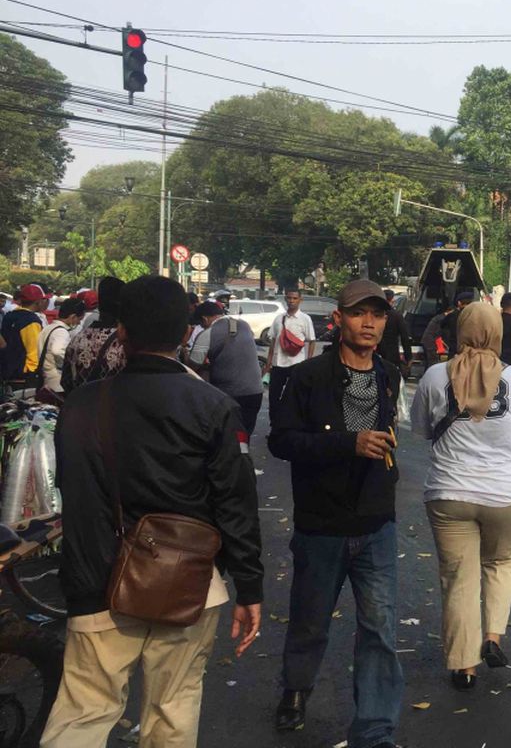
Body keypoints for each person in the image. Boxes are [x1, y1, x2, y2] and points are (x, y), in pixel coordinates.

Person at [41, 275, 263, 748]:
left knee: (81, 715)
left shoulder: (79, 406)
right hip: (186, 585)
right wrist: (250, 585)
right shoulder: (214, 406)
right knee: (172, 711)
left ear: (122, 330)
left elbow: (73, 490)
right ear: (186, 334)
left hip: (95, 582)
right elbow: (235, 504)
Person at [267, 279, 404, 746]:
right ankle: (296, 689)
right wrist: (349, 444)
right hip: (322, 523)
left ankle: (375, 728)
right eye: (359, 313)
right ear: (338, 320)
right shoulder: (306, 378)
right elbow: (281, 441)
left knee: (380, 628)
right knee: (310, 619)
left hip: (376, 522)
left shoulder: (388, 374)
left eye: (378, 315)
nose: (369, 323)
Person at [410, 302, 511, 690]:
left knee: (458, 579)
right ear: (498, 332)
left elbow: (420, 430)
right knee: (501, 562)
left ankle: (463, 667)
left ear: (460, 331)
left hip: (448, 493)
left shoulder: (436, 376)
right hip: (504, 494)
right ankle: (492, 638)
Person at [189, 301, 266, 436]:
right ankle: (243, 453)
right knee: (244, 434)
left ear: (204, 319)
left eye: (202, 324)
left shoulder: (208, 333)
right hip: (255, 392)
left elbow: (193, 365)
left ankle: (233, 455)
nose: (202, 327)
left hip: (231, 394)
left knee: (227, 436)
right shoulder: (244, 325)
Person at [62, 277, 127, 395]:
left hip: (81, 409)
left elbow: (66, 382)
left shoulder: (78, 339)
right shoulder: (125, 342)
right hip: (113, 410)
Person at [265, 289, 317, 418]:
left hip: (297, 364)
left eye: (295, 298)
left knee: (294, 397)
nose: (291, 301)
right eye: (289, 298)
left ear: (300, 300)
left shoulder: (305, 319)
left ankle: (292, 427)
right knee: (273, 397)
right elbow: (273, 341)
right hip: (278, 364)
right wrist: (268, 363)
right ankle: (274, 427)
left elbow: (312, 341)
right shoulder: (278, 318)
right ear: (285, 299)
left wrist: (308, 363)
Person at [35, 297, 85, 403]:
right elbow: (58, 351)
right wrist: (71, 365)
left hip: (46, 380)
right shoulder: (61, 332)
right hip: (57, 383)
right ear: (73, 317)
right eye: (79, 319)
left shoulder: (48, 328)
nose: (79, 323)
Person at [0, 284, 47, 387]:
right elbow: (33, 351)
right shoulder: (31, 321)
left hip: (7, 370)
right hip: (24, 375)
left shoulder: (9, 315)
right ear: (38, 301)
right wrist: (34, 375)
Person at [379, 290, 413, 377]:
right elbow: (404, 337)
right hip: (392, 355)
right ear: (391, 300)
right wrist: (408, 357)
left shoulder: (376, 314)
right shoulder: (396, 316)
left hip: (376, 353)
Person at [441, 290, 476, 359]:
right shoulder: (475, 316)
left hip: (454, 350)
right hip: (470, 353)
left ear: (459, 303)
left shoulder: (452, 315)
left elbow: (442, 326)